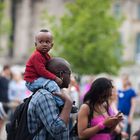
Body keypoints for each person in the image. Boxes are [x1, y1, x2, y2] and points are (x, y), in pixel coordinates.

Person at [27, 57, 73, 140]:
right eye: (69, 73)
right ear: (61, 75)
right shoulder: (45, 96)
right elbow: (57, 130)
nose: (71, 78)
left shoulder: (57, 94)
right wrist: (68, 103)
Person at [24, 29, 64, 108]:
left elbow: (50, 67)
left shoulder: (47, 56)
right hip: (32, 81)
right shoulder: (37, 55)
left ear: (51, 45)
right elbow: (41, 71)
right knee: (51, 84)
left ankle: (57, 101)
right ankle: (62, 105)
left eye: (47, 42)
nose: (44, 44)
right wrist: (55, 78)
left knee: (53, 86)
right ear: (36, 44)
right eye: (41, 42)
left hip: (39, 79)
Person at [117, 75, 137, 140]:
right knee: (119, 132)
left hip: (127, 115)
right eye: (122, 80)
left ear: (127, 80)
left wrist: (131, 116)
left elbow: (133, 104)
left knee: (127, 132)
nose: (124, 81)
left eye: (125, 80)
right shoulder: (119, 91)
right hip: (119, 114)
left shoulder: (131, 91)